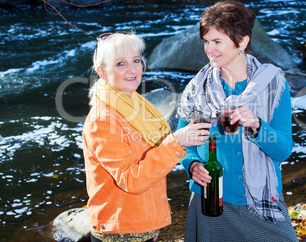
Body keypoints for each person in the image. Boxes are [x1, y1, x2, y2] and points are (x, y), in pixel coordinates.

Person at [177, 0, 297, 241]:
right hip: (210, 204)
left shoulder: (273, 84)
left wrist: (257, 126)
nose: (209, 49)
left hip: (263, 203)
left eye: (217, 42)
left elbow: (283, 150)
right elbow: (183, 143)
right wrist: (192, 166)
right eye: (206, 42)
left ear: (242, 42)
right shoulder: (196, 87)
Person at [82, 31, 211, 242]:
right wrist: (176, 142)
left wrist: (152, 223)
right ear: (102, 72)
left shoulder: (134, 103)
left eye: (136, 60)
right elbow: (132, 180)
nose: (133, 69)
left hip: (141, 226)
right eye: (120, 64)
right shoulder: (103, 119)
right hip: (120, 232)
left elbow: (150, 168)